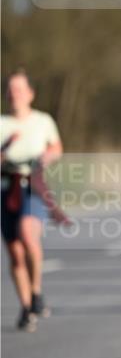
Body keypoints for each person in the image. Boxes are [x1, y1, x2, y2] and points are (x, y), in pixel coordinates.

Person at [1, 69, 63, 330]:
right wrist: (5, 149)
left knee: (28, 234)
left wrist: (48, 156)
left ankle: (36, 292)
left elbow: (56, 147)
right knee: (15, 253)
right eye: (10, 89)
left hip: (33, 186)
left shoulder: (42, 121)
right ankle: (26, 308)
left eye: (19, 89)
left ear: (30, 94)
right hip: (6, 187)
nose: (14, 94)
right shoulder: (2, 123)